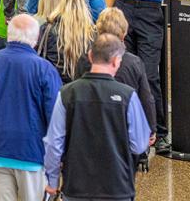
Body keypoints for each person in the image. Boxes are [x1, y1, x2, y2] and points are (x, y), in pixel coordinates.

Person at [0, 13, 61, 200]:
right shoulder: (45, 69)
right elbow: (55, 119)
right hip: (32, 155)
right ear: (36, 38)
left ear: (8, 34)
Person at [43, 34, 152, 200]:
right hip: (117, 187)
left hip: (76, 187)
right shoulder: (127, 96)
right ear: (116, 61)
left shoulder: (67, 94)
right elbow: (138, 145)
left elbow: (54, 143)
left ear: (90, 56)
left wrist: (52, 180)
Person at [104, 0, 171, 153]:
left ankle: (160, 131)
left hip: (151, 12)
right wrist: (105, 19)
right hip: (123, 11)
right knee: (123, 71)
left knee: (150, 74)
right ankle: (127, 128)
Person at [96, 7, 157, 137]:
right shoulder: (134, 62)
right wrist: (151, 128)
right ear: (124, 34)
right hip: (125, 132)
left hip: (93, 129)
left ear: (98, 30)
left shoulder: (85, 60)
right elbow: (146, 99)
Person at [35, 0, 95, 83]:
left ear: (61, 4)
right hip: (82, 86)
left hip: (53, 84)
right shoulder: (92, 33)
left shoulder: (47, 29)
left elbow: (37, 55)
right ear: (84, 6)